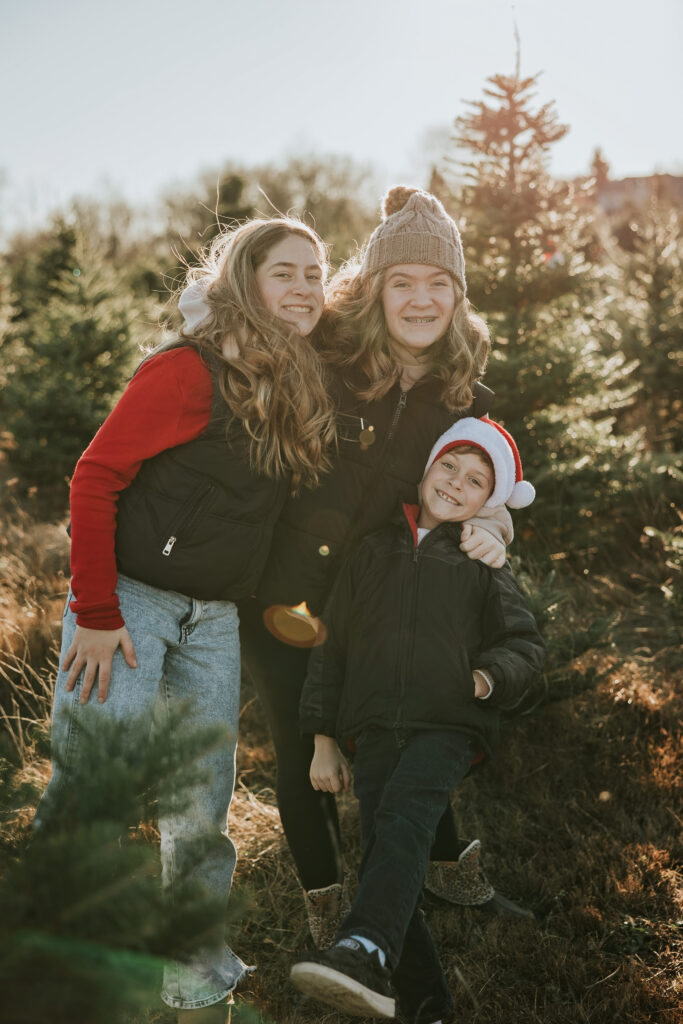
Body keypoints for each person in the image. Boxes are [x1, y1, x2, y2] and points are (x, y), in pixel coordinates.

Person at [35, 217, 337, 1024]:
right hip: (129, 601)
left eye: (316, 273)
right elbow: (94, 477)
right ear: (244, 280)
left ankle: (192, 961)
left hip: (214, 620)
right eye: (285, 272)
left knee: (202, 793)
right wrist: (96, 613)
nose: (306, 286)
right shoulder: (188, 370)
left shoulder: (299, 379)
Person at [236, 185, 525, 949]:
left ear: (457, 297)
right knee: (306, 752)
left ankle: (445, 871)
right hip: (285, 598)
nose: (420, 300)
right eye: (402, 281)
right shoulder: (322, 353)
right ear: (375, 289)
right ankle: (325, 904)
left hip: (383, 599)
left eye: (438, 284)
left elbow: (479, 479)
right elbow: (245, 313)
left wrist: (492, 521)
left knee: (419, 720)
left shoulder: (466, 397)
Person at [291, 416, 545, 1024]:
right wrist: (324, 742)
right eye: (449, 467)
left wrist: (483, 679)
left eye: (476, 480)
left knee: (405, 819)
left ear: (490, 501)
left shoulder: (482, 560)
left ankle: (362, 949)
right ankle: (427, 1004)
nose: (457, 483)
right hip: (374, 725)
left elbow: (525, 646)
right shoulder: (372, 548)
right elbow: (332, 648)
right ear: (427, 468)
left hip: (447, 725)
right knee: (386, 846)